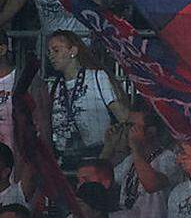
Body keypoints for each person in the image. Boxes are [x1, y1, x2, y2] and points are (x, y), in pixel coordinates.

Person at [44, 30, 128, 168]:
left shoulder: (97, 77)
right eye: (49, 52)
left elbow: (122, 115)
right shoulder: (54, 86)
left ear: (73, 51)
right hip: (64, 158)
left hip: (97, 153)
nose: (51, 56)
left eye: (56, 50)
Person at [112, 105, 181, 218]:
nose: (129, 131)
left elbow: (151, 185)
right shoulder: (130, 160)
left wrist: (135, 148)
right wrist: (110, 147)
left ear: (151, 131)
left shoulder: (168, 158)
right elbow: (103, 180)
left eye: (133, 126)